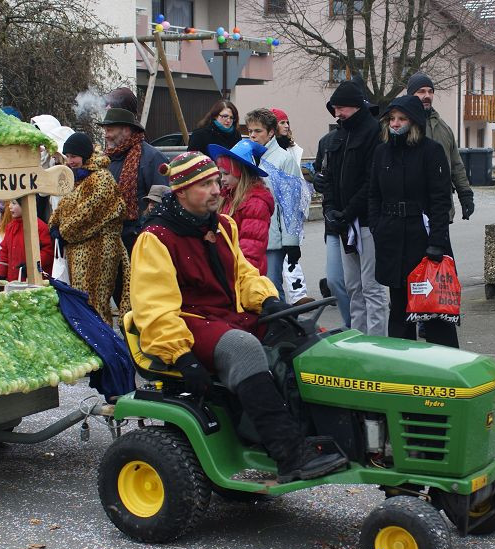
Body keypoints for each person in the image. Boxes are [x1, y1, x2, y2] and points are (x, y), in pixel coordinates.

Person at [129, 151, 348, 482]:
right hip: (187, 321)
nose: (217, 189)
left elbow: (244, 276)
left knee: (303, 333)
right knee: (243, 347)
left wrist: (269, 302)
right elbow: (154, 307)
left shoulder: (223, 225)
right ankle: (289, 454)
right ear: (181, 192)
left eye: (216, 180)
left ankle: (320, 431)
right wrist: (182, 356)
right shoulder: (155, 238)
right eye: (204, 184)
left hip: (225, 315)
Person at [367, 95, 458, 347]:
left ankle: (444, 363)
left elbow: (441, 200)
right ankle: (400, 362)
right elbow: (373, 194)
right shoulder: (381, 152)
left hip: (423, 239)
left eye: (402, 118)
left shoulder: (431, 151)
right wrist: (377, 227)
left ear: (414, 121)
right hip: (391, 237)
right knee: (399, 308)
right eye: (392, 119)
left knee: (432, 308)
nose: (395, 124)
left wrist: (437, 242)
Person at [323, 80, 388, 336]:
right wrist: (330, 208)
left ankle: (377, 345)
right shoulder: (341, 133)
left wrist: (347, 212)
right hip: (344, 224)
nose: (337, 114)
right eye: (335, 108)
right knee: (352, 287)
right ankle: (359, 341)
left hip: (366, 223)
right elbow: (329, 175)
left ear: (356, 107)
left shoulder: (373, 132)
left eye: (341, 108)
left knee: (372, 287)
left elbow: (371, 181)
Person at [48, 132, 131, 322]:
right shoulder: (77, 179)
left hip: (100, 251)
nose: (70, 161)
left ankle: (102, 345)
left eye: (74, 156)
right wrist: (54, 225)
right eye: (67, 156)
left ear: (85, 155)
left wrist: (63, 231)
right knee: (82, 303)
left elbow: (87, 213)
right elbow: (62, 207)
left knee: (95, 303)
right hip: (78, 250)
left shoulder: (101, 179)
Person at [245, 108, 306, 301]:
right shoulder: (246, 155)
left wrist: (291, 242)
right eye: (250, 131)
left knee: (271, 290)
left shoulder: (283, 159)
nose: (253, 136)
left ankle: (281, 329)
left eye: (258, 131)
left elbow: (290, 204)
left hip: (273, 238)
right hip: (248, 234)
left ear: (271, 132)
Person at [99, 107, 169, 255]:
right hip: (109, 240)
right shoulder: (106, 158)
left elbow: (162, 201)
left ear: (126, 130)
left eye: (110, 130)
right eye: (105, 131)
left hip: (138, 239)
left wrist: (142, 227)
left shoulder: (152, 158)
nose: (106, 135)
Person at [407, 72, 474, 222]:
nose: (427, 96)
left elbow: (456, 165)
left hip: (441, 209)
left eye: (430, 91)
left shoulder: (443, 128)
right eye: (421, 91)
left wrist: (465, 194)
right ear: (411, 94)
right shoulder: (402, 125)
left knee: (440, 246)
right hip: (412, 212)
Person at [207, 139, 273, 274]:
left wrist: (238, 275)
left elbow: (251, 249)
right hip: (228, 268)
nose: (222, 179)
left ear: (240, 173)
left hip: (243, 274)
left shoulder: (255, 203)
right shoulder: (227, 196)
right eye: (221, 174)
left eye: (226, 174)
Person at [270, 107, 311, 305]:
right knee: (284, 253)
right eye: (281, 122)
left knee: (292, 251)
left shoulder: (293, 149)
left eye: (287, 122)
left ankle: (297, 292)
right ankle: (297, 294)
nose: (286, 126)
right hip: (277, 211)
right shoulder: (271, 152)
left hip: (295, 206)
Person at [314, 127, 351, 326]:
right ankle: (351, 324)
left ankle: (363, 329)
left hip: (360, 221)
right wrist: (319, 182)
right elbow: (320, 173)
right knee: (335, 281)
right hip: (334, 223)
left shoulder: (371, 136)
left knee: (363, 286)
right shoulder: (326, 141)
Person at [0, 199, 54, 282]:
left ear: (25, 205)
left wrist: (31, 266)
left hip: (34, 280)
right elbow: (4, 251)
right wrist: (1, 273)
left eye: (14, 203)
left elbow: (47, 252)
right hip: (13, 280)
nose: (10, 207)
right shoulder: (10, 227)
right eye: (10, 203)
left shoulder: (39, 227)